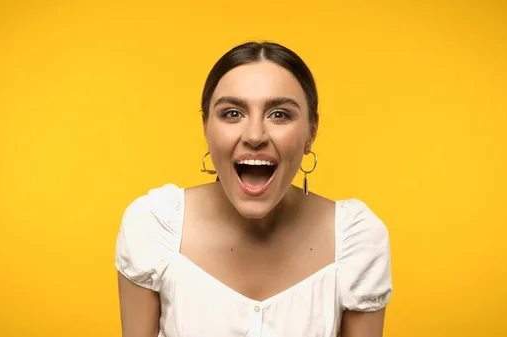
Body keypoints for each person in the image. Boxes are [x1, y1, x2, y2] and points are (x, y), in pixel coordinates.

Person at [115, 41, 393, 337]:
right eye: (232, 113)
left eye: (280, 114)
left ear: (311, 131)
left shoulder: (358, 242)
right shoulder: (153, 228)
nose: (255, 135)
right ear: (206, 127)